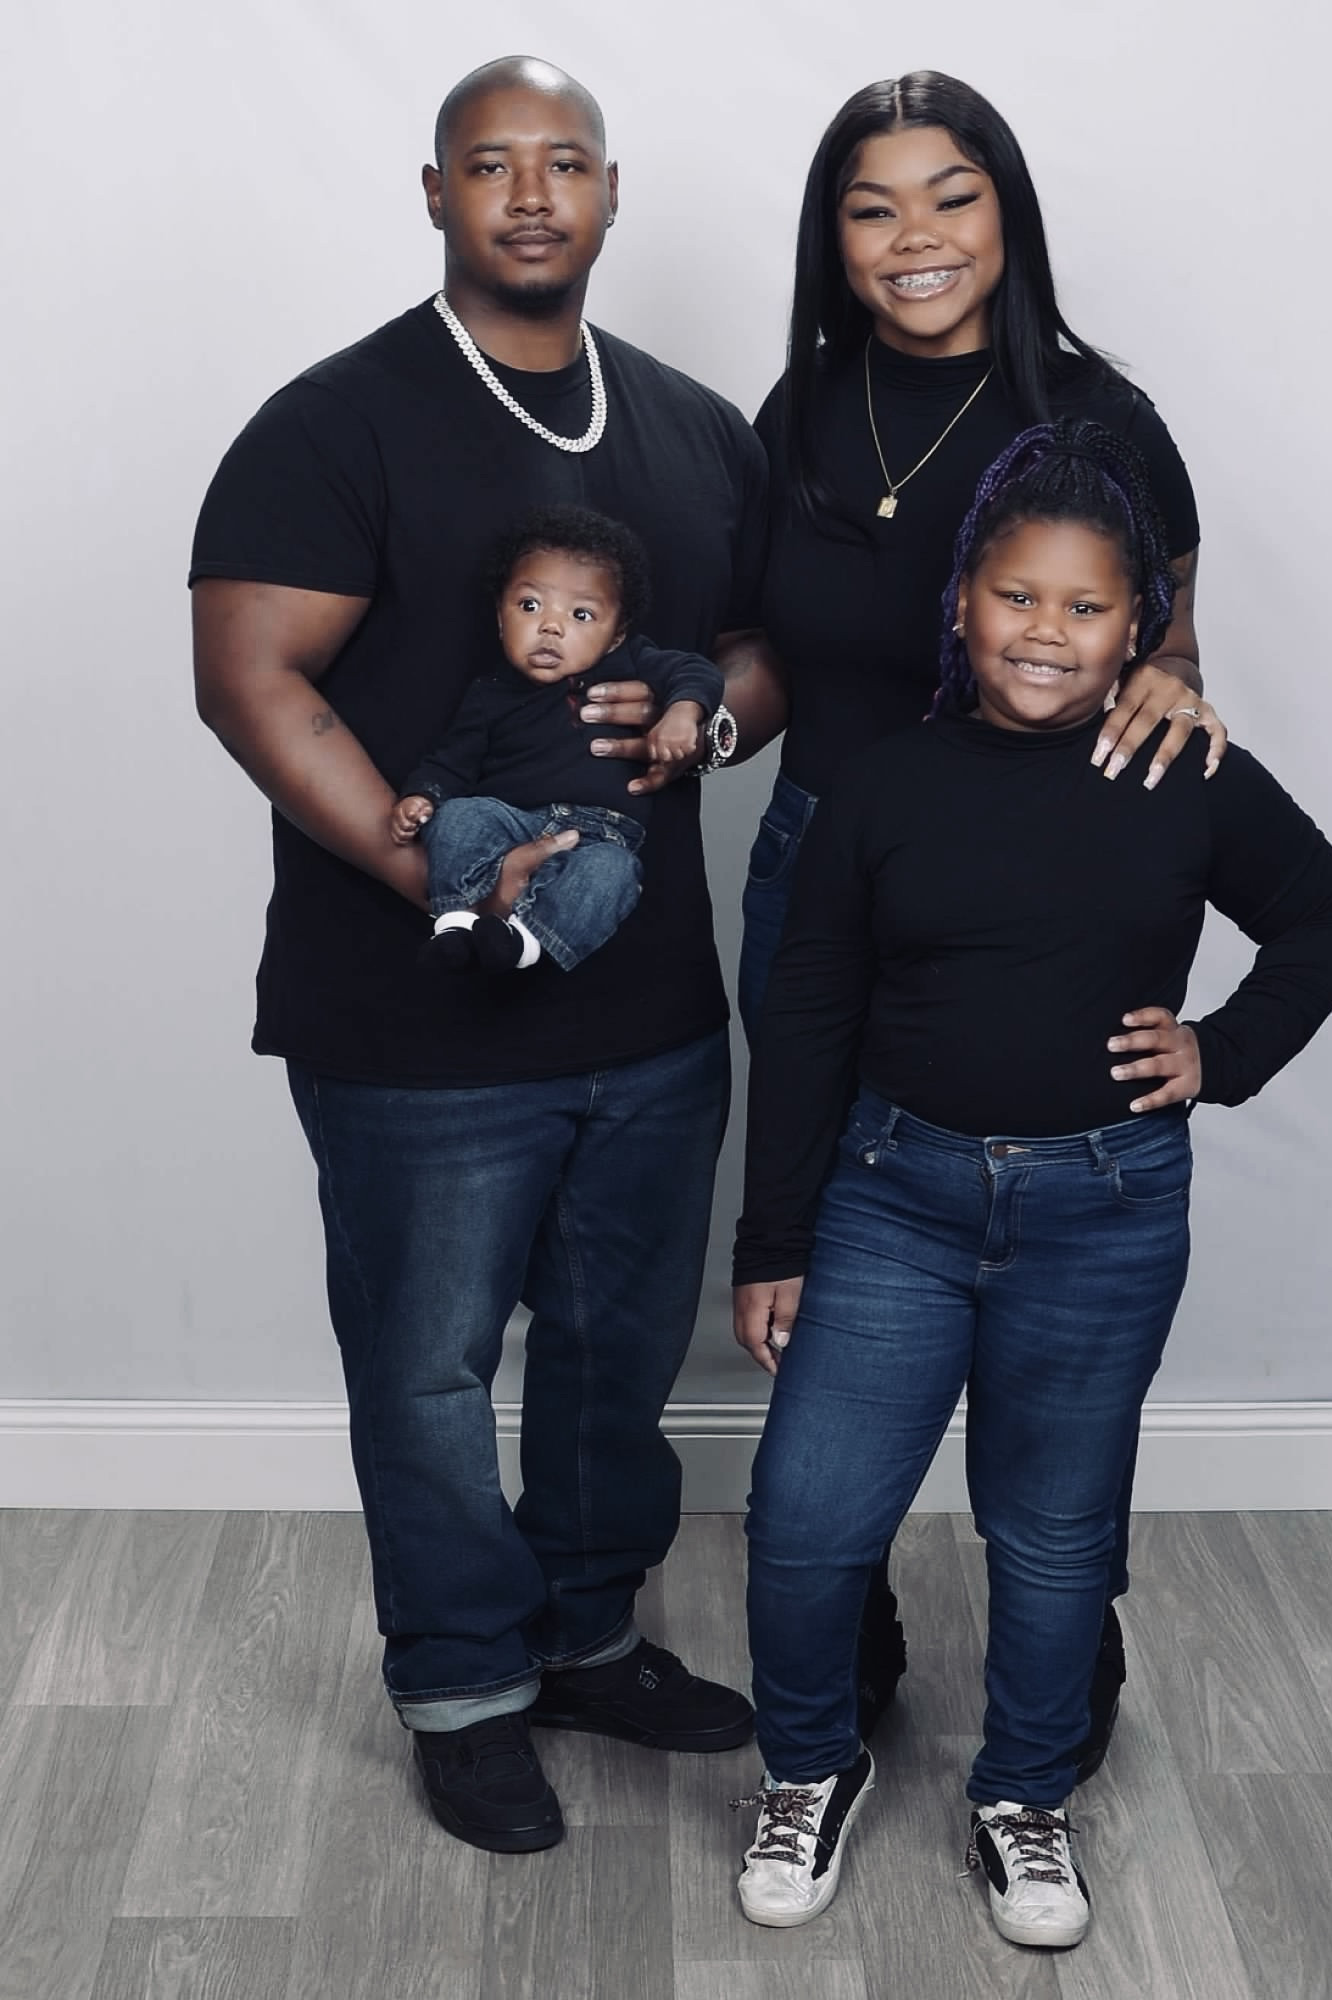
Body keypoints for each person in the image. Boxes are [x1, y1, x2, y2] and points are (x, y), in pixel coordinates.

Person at [190, 56, 766, 1856]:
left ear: (611, 192)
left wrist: (708, 727)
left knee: (616, 1352)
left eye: (564, 161)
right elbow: (249, 675)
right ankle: (461, 1687)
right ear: (434, 192)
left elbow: (766, 650)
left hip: (651, 1010)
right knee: (431, 1373)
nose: (531, 193)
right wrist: (445, 859)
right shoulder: (335, 424)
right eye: (491, 164)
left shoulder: (694, 430)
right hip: (411, 1021)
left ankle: (586, 1639)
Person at [729, 419, 1332, 1944]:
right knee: (806, 1518)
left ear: (1139, 626)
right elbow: (807, 1014)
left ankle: (1025, 1792)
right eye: (1018, 596)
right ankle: (810, 1766)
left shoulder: (1183, 770)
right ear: (964, 602)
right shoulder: (884, 784)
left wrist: (1222, 1051)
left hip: (1106, 1211)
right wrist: (773, 1236)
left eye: (1087, 607)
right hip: (893, 1200)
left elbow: (1326, 915)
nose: (1046, 632)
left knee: (1055, 1532)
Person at [735, 69, 1227, 1763]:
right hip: (821, 860)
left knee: (1064, 1299)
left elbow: (1168, 648)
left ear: (1007, 212)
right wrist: (690, 726)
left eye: (952, 196)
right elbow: (764, 650)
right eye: (872, 207)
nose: (916, 237)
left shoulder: (1101, 414)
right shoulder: (803, 409)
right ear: (835, 237)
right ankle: (846, 1620)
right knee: (834, 1234)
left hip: (1032, 893)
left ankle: (1069, 1625)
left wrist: (1172, 681)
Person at [392, 505, 724, 975]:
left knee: (613, 873)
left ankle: (525, 942)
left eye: (582, 614)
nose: (551, 626)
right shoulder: (489, 694)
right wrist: (422, 796)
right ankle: (456, 922)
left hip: (602, 833)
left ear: (616, 636)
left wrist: (683, 712)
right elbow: (450, 763)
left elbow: (695, 670)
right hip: (511, 824)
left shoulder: (631, 661)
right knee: (460, 817)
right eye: (530, 606)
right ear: (501, 617)